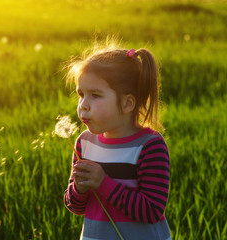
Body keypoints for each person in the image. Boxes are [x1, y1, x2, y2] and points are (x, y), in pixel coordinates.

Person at [63, 42, 171, 240]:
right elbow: (75, 206)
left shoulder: (149, 146)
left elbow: (151, 211)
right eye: (81, 94)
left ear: (127, 103)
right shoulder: (84, 143)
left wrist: (103, 183)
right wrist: (79, 188)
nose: (83, 105)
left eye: (95, 95)